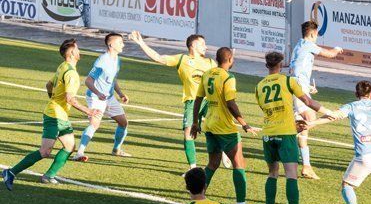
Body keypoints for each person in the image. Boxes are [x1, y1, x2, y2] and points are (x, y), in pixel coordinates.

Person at [255, 51, 341, 204]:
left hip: (268, 133)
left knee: (272, 174)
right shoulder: (289, 81)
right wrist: (329, 113)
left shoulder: (259, 86)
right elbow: (308, 102)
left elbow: (269, 111)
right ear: (282, 64)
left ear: (267, 65)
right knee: (291, 175)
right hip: (286, 134)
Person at [3, 39, 99, 188]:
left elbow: (49, 85)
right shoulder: (71, 74)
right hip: (55, 116)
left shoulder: (63, 66)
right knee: (45, 151)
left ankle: (48, 176)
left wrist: (53, 99)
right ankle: (11, 172)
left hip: (59, 115)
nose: (80, 51)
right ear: (72, 52)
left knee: (69, 146)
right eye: (78, 49)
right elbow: (70, 98)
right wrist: (88, 111)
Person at [129, 31, 216, 172]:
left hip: (209, 101)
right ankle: (193, 168)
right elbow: (158, 58)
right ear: (193, 45)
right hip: (192, 101)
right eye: (202, 44)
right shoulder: (182, 59)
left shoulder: (211, 62)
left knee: (217, 128)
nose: (205, 47)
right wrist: (141, 43)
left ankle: (222, 151)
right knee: (188, 133)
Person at [191, 47, 261, 204]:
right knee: (239, 164)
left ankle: (197, 198)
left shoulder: (208, 74)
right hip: (225, 127)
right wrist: (244, 124)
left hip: (210, 125)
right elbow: (231, 103)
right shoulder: (228, 77)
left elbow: (198, 99)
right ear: (229, 59)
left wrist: (195, 122)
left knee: (213, 164)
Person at [289, 21, 343, 180]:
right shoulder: (308, 44)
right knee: (309, 119)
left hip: (299, 85)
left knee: (307, 121)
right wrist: (337, 49)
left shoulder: (299, 44)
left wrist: (307, 87)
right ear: (312, 33)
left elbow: (296, 66)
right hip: (298, 87)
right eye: (317, 34)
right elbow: (330, 54)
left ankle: (305, 165)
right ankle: (287, 136)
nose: (317, 37)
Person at [73, 32, 131, 161]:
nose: (123, 44)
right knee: (95, 124)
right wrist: (98, 93)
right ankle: (79, 153)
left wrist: (120, 94)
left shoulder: (117, 60)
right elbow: (88, 81)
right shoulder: (102, 60)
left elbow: (113, 79)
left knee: (123, 122)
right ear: (111, 45)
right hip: (96, 97)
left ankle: (116, 150)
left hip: (108, 97)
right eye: (120, 42)